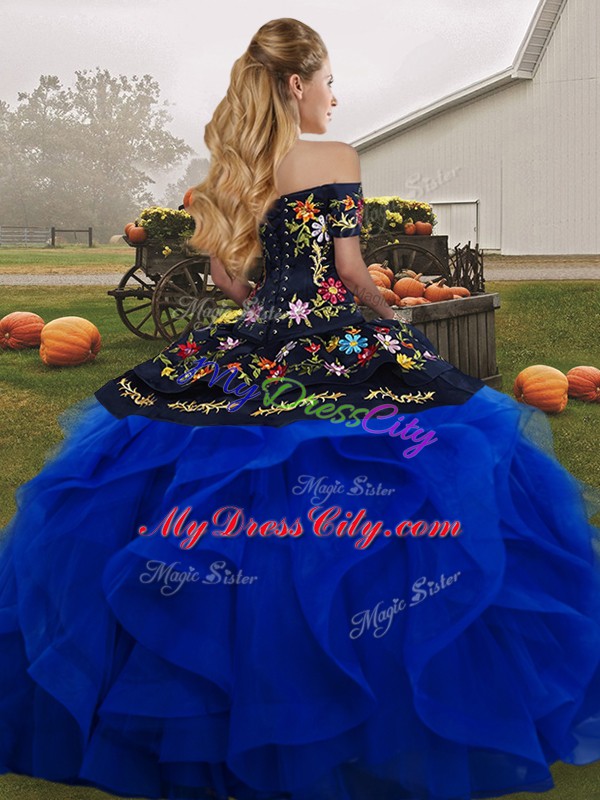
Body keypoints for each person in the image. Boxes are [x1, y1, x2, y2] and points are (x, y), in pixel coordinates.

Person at [1, 16, 600, 800]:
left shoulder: (236, 163)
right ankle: (372, 707)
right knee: (415, 482)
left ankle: (234, 704)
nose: (335, 96)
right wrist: (385, 325)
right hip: (340, 340)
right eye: (327, 81)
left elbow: (222, 275)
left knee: (219, 497)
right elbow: (350, 269)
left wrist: (260, 308)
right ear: (296, 82)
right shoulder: (333, 158)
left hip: (257, 340)